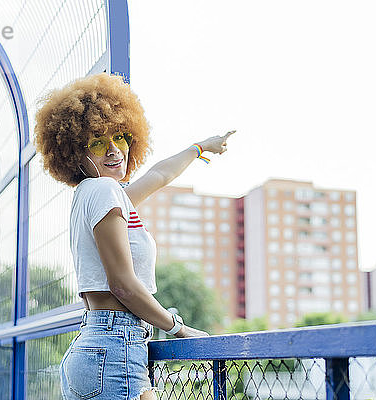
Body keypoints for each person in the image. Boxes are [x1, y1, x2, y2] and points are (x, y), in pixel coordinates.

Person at [34, 73, 235, 400]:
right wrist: (178, 328)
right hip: (114, 347)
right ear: (75, 153)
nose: (114, 151)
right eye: (99, 142)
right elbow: (122, 284)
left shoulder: (95, 192)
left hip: (98, 344)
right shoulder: (103, 190)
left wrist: (198, 148)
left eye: (121, 138)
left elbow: (158, 175)